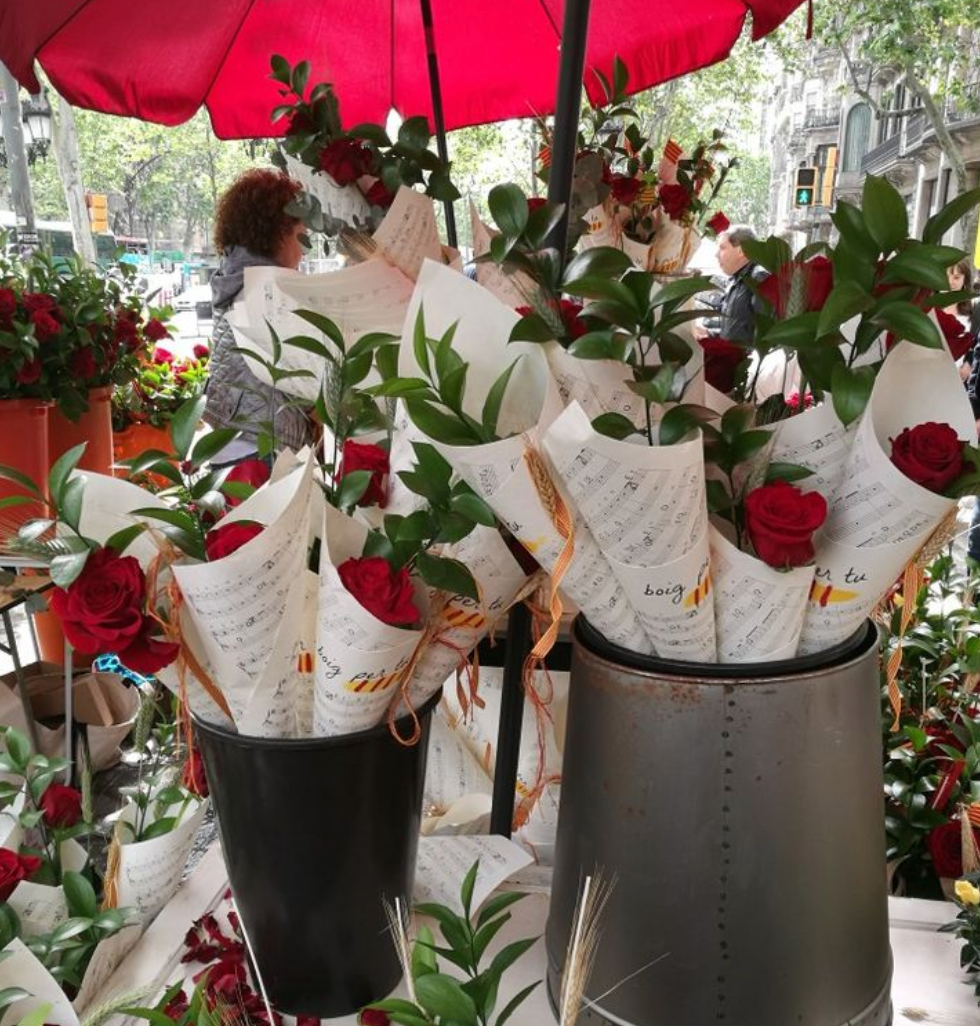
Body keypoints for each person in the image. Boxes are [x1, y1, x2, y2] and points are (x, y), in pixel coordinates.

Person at [204, 168, 316, 466]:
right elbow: (304, 383)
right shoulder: (269, 291)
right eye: (302, 236)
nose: (304, 251)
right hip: (263, 447)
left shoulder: (233, 278)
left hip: (228, 442)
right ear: (278, 232)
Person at [694, 226, 767, 344]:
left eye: (722, 248)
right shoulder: (736, 279)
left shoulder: (759, 278)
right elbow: (738, 330)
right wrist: (709, 333)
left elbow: (765, 335)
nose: (716, 255)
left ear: (741, 251)